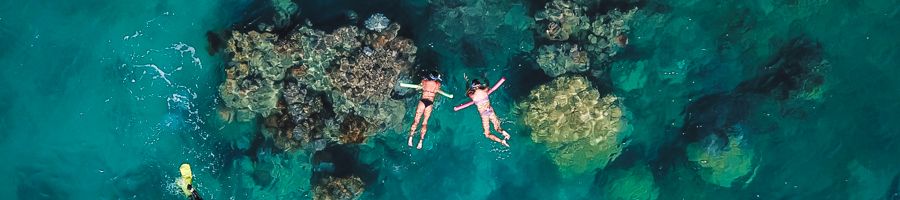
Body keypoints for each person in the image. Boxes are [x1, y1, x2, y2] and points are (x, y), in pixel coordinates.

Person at [467, 79, 510, 147]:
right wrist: (485, 78)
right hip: (490, 110)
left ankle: (501, 141)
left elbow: (467, 92)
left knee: (487, 134)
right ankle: (503, 132)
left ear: (473, 87)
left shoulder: (472, 95)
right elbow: (487, 84)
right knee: (497, 128)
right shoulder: (485, 90)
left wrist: (467, 82)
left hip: (484, 114)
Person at [408, 72, 444, 149]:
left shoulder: (424, 81)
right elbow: (437, 89)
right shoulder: (437, 84)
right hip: (429, 103)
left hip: (423, 101)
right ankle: (420, 141)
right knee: (425, 122)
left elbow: (419, 87)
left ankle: (410, 138)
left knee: (416, 121)